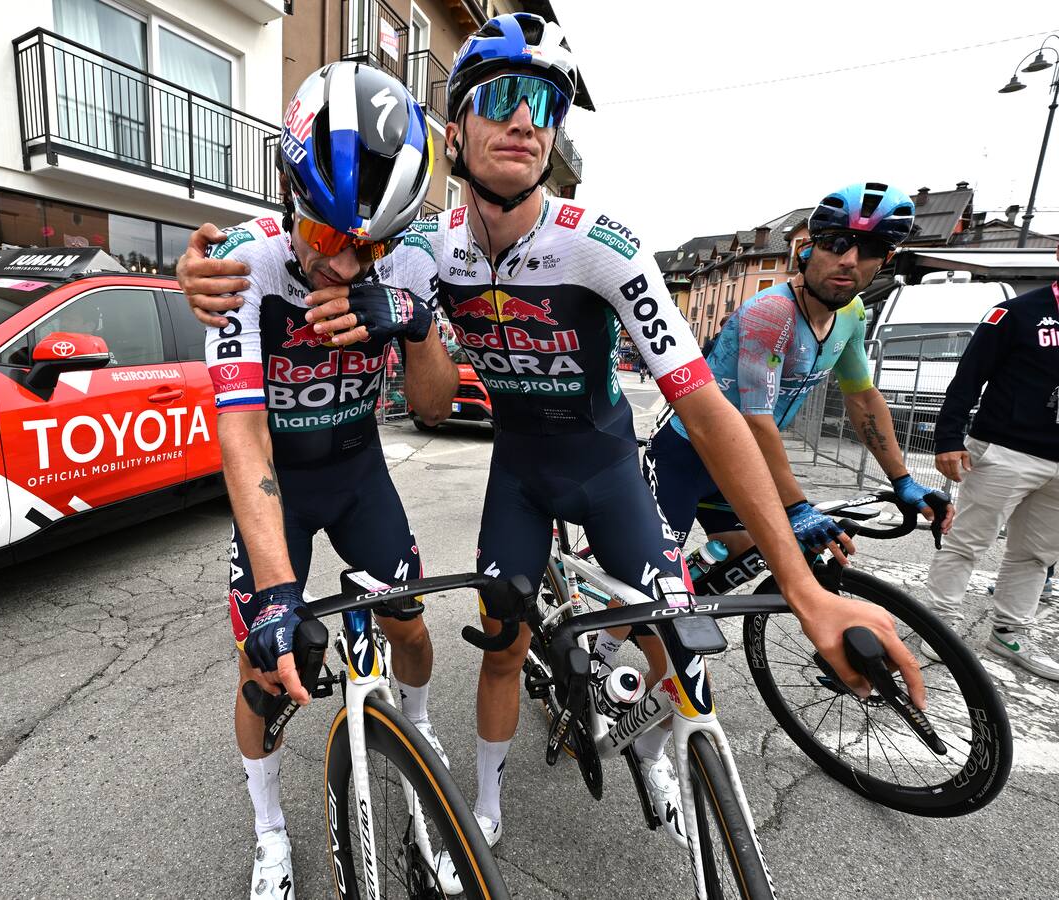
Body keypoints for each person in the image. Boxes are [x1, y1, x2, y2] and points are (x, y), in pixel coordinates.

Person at [179, 16, 923, 892]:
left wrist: (801, 587)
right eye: (500, 98)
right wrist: (381, 307)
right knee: (490, 645)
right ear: (456, 132)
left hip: (604, 462)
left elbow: (707, 405)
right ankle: (422, 811)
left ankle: (655, 742)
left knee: (671, 641)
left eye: (545, 103)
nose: (526, 120)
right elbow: (381, 393)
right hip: (507, 473)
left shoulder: (599, 244)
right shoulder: (417, 248)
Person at [190, 63, 457, 899]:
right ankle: (269, 829)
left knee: (410, 630)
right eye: (333, 236)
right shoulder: (247, 265)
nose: (347, 264)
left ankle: (419, 740)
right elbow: (240, 432)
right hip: (282, 486)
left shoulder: (408, 264)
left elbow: (438, 406)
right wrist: (276, 590)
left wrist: (411, 324)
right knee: (264, 670)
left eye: (371, 244)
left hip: (359, 474)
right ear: (287, 191)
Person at [644, 183, 954, 568]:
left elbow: (863, 398)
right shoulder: (772, 312)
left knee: (748, 550)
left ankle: (685, 593)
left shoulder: (852, 313)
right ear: (807, 249)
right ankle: (619, 623)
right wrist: (796, 505)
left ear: (885, 259)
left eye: (870, 249)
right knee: (652, 581)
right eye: (837, 244)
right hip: (687, 455)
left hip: (742, 460)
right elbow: (755, 420)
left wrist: (903, 480)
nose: (849, 260)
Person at [921, 251, 1059, 681]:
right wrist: (947, 439)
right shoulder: (1017, 313)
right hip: (1004, 449)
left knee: (1036, 554)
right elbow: (968, 377)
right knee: (968, 541)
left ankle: (1009, 631)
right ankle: (938, 624)